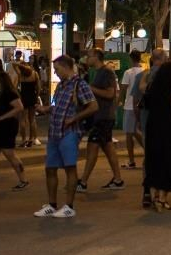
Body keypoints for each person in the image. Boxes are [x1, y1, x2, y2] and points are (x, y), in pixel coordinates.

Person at [35, 55, 96, 219]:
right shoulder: (61, 86)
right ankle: (52, 204)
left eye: (57, 69)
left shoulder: (79, 84)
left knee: (70, 168)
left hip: (69, 132)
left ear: (67, 67)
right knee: (50, 168)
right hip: (55, 131)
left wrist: (75, 118)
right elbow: (58, 106)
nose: (56, 73)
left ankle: (69, 205)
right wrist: (46, 109)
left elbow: (93, 106)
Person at [78, 49, 126, 193]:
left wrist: (90, 88)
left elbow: (110, 93)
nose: (87, 59)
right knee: (108, 147)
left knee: (92, 146)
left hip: (104, 116)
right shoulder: (97, 72)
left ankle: (84, 181)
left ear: (97, 57)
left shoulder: (106, 72)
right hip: (100, 115)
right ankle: (118, 179)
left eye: (89, 56)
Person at [141, 60, 171, 211]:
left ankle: (153, 196)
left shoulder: (152, 88)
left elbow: (143, 96)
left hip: (153, 127)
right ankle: (162, 198)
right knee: (167, 162)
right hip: (169, 129)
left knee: (153, 161)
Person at [120, 52, 147, 168]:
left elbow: (123, 88)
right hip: (142, 106)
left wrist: (120, 101)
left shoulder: (128, 72)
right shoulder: (145, 72)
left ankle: (131, 161)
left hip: (130, 105)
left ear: (131, 59)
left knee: (129, 134)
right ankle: (148, 152)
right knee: (136, 131)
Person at [16, 54, 41, 148]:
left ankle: (23, 139)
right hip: (32, 97)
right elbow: (38, 88)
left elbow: (14, 64)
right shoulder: (35, 74)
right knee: (32, 119)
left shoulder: (21, 75)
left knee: (23, 119)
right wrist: (37, 96)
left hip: (23, 97)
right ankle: (31, 139)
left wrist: (20, 65)